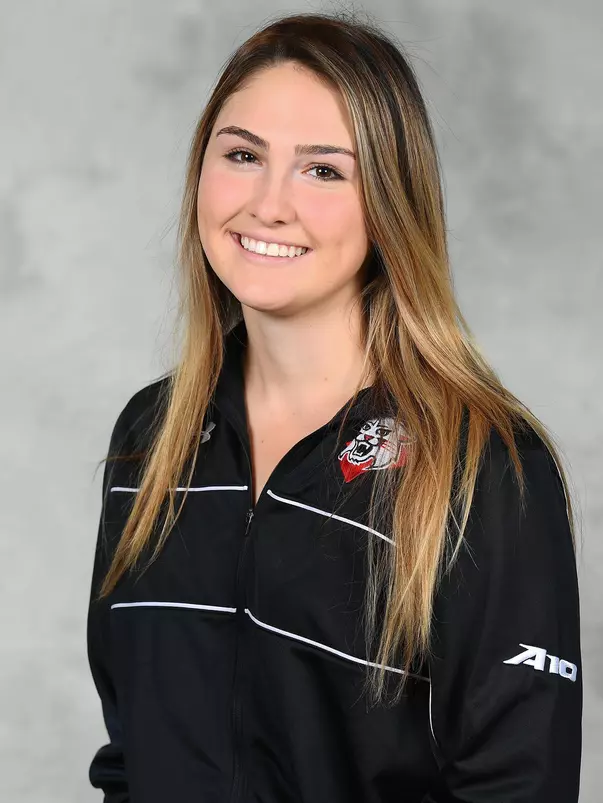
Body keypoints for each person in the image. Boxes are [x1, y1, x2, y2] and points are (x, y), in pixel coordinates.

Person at [86, 11, 582, 803]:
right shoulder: (152, 438)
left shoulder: (480, 462)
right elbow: (130, 755)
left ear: (388, 202)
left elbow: (515, 785)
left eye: (323, 170)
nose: (268, 204)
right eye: (242, 155)